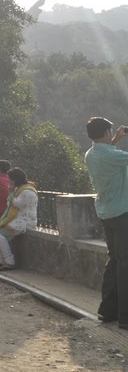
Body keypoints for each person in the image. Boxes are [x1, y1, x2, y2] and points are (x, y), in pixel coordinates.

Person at [85, 117, 128, 327]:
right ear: (106, 132)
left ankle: (108, 311)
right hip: (123, 213)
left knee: (115, 260)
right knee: (125, 263)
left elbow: (107, 154)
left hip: (107, 212)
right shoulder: (112, 155)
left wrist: (115, 140)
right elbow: (116, 157)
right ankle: (125, 317)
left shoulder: (91, 154)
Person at [0, 167, 38, 271]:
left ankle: (10, 261)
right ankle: (1, 259)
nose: (9, 181)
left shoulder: (28, 191)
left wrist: (10, 193)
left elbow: (18, 204)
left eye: (10, 179)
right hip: (17, 219)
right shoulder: (19, 190)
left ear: (15, 179)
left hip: (25, 221)